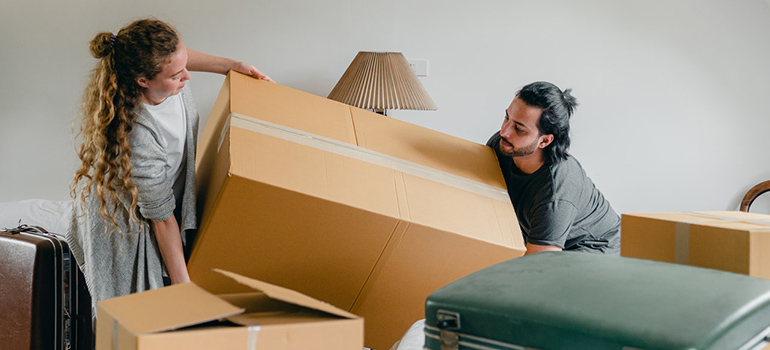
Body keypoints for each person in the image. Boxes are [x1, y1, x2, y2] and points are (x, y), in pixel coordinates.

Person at [67, 18, 273, 307]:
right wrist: (182, 286)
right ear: (143, 80)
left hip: (159, 206)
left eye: (184, 65)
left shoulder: (168, 80)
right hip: (125, 225)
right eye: (177, 74)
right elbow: (162, 219)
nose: (187, 77)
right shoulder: (136, 133)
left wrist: (234, 65)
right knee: (141, 314)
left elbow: (180, 57)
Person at [487, 81, 620, 256]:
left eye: (519, 129)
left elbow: (539, 265)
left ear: (545, 141)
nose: (505, 131)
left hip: (595, 249)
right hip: (549, 238)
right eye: (506, 118)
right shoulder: (503, 145)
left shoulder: (555, 192)